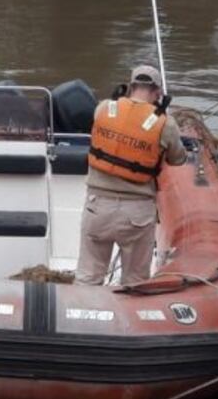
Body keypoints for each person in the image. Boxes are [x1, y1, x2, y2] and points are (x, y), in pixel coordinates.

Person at [76, 65, 187, 286]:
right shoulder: (165, 124)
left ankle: (83, 306)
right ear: (158, 92)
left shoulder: (103, 108)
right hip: (137, 213)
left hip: (97, 208)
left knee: (87, 278)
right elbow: (178, 159)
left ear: (130, 87)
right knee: (135, 283)